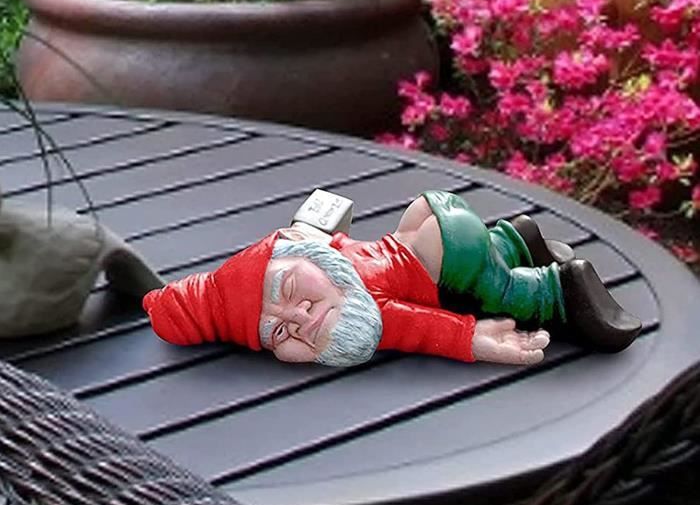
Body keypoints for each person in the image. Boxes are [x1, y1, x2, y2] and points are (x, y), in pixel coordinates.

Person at [143, 190, 642, 367]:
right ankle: (514, 242)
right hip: (435, 217)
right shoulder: (335, 260)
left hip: (450, 252)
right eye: (278, 334)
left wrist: (473, 338)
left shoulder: (362, 297)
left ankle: (555, 292)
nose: (298, 317)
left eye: (290, 291)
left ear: (304, 256)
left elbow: (416, 327)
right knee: (426, 225)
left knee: (494, 288)